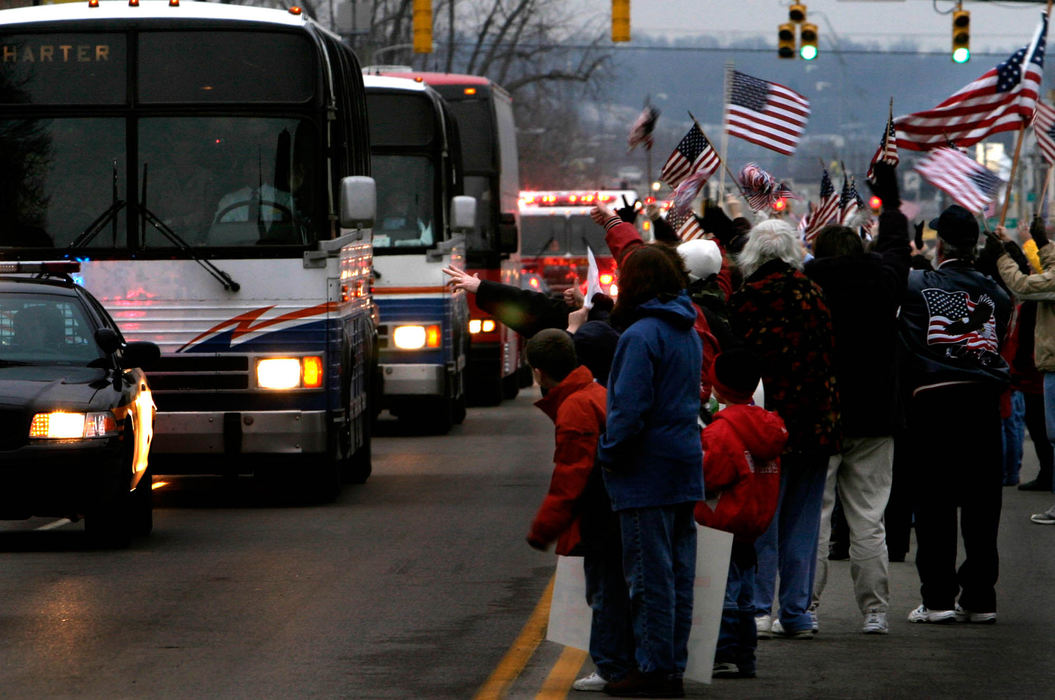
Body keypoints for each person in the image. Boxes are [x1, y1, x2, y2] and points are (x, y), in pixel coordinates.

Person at [804, 162, 910, 635]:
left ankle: (805, 605)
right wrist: (889, 195)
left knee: (817, 520)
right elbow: (893, 247)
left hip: (821, 415)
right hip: (874, 415)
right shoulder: (883, 282)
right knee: (869, 519)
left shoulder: (807, 288)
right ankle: (874, 611)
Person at [596, 244, 703, 698]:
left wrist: (608, 451)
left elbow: (629, 410)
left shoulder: (641, 335)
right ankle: (672, 666)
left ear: (635, 283)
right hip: (683, 462)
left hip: (646, 472)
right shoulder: (687, 330)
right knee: (677, 576)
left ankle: (653, 669)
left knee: (648, 578)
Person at [729, 218, 840, 639]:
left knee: (763, 520)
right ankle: (796, 612)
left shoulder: (746, 299)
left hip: (764, 426)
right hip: (814, 422)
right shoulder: (813, 294)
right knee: (805, 522)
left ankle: (758, 608)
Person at [899, 204, 1011, 623]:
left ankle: (938, 599)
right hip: (982, 404)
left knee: (935, 504)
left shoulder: (914, 285)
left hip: (934, 403)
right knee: (984, 506)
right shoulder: (997, 295)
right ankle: (980, 597)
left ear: (939, 243)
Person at [523, 329, 630, 692]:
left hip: (601, 516)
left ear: (539, 372)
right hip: (616, 508)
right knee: (612, 589)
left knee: (603, 593)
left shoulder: (574, 407)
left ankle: (612, 665)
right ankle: (617, 662)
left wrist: (543, 529)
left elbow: (571, 475)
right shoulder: (596, 392)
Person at [694, 349, 787, 680]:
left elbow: (709, 476)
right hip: (753, 522)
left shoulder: (720, 431)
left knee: (725, 592)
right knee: (746, 593)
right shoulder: (768, 426)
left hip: (723, 522)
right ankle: (746, 656)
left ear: (718, 388)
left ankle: (724, 653)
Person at [993, 218, 1055, 524]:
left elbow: (1022, 284)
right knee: (1044, 429)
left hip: (1049, 366)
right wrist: (1023, 244)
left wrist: (1004, 254)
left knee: (1053, 433)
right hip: (1042, 366)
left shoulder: (1049, 282)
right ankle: (1048, 479)